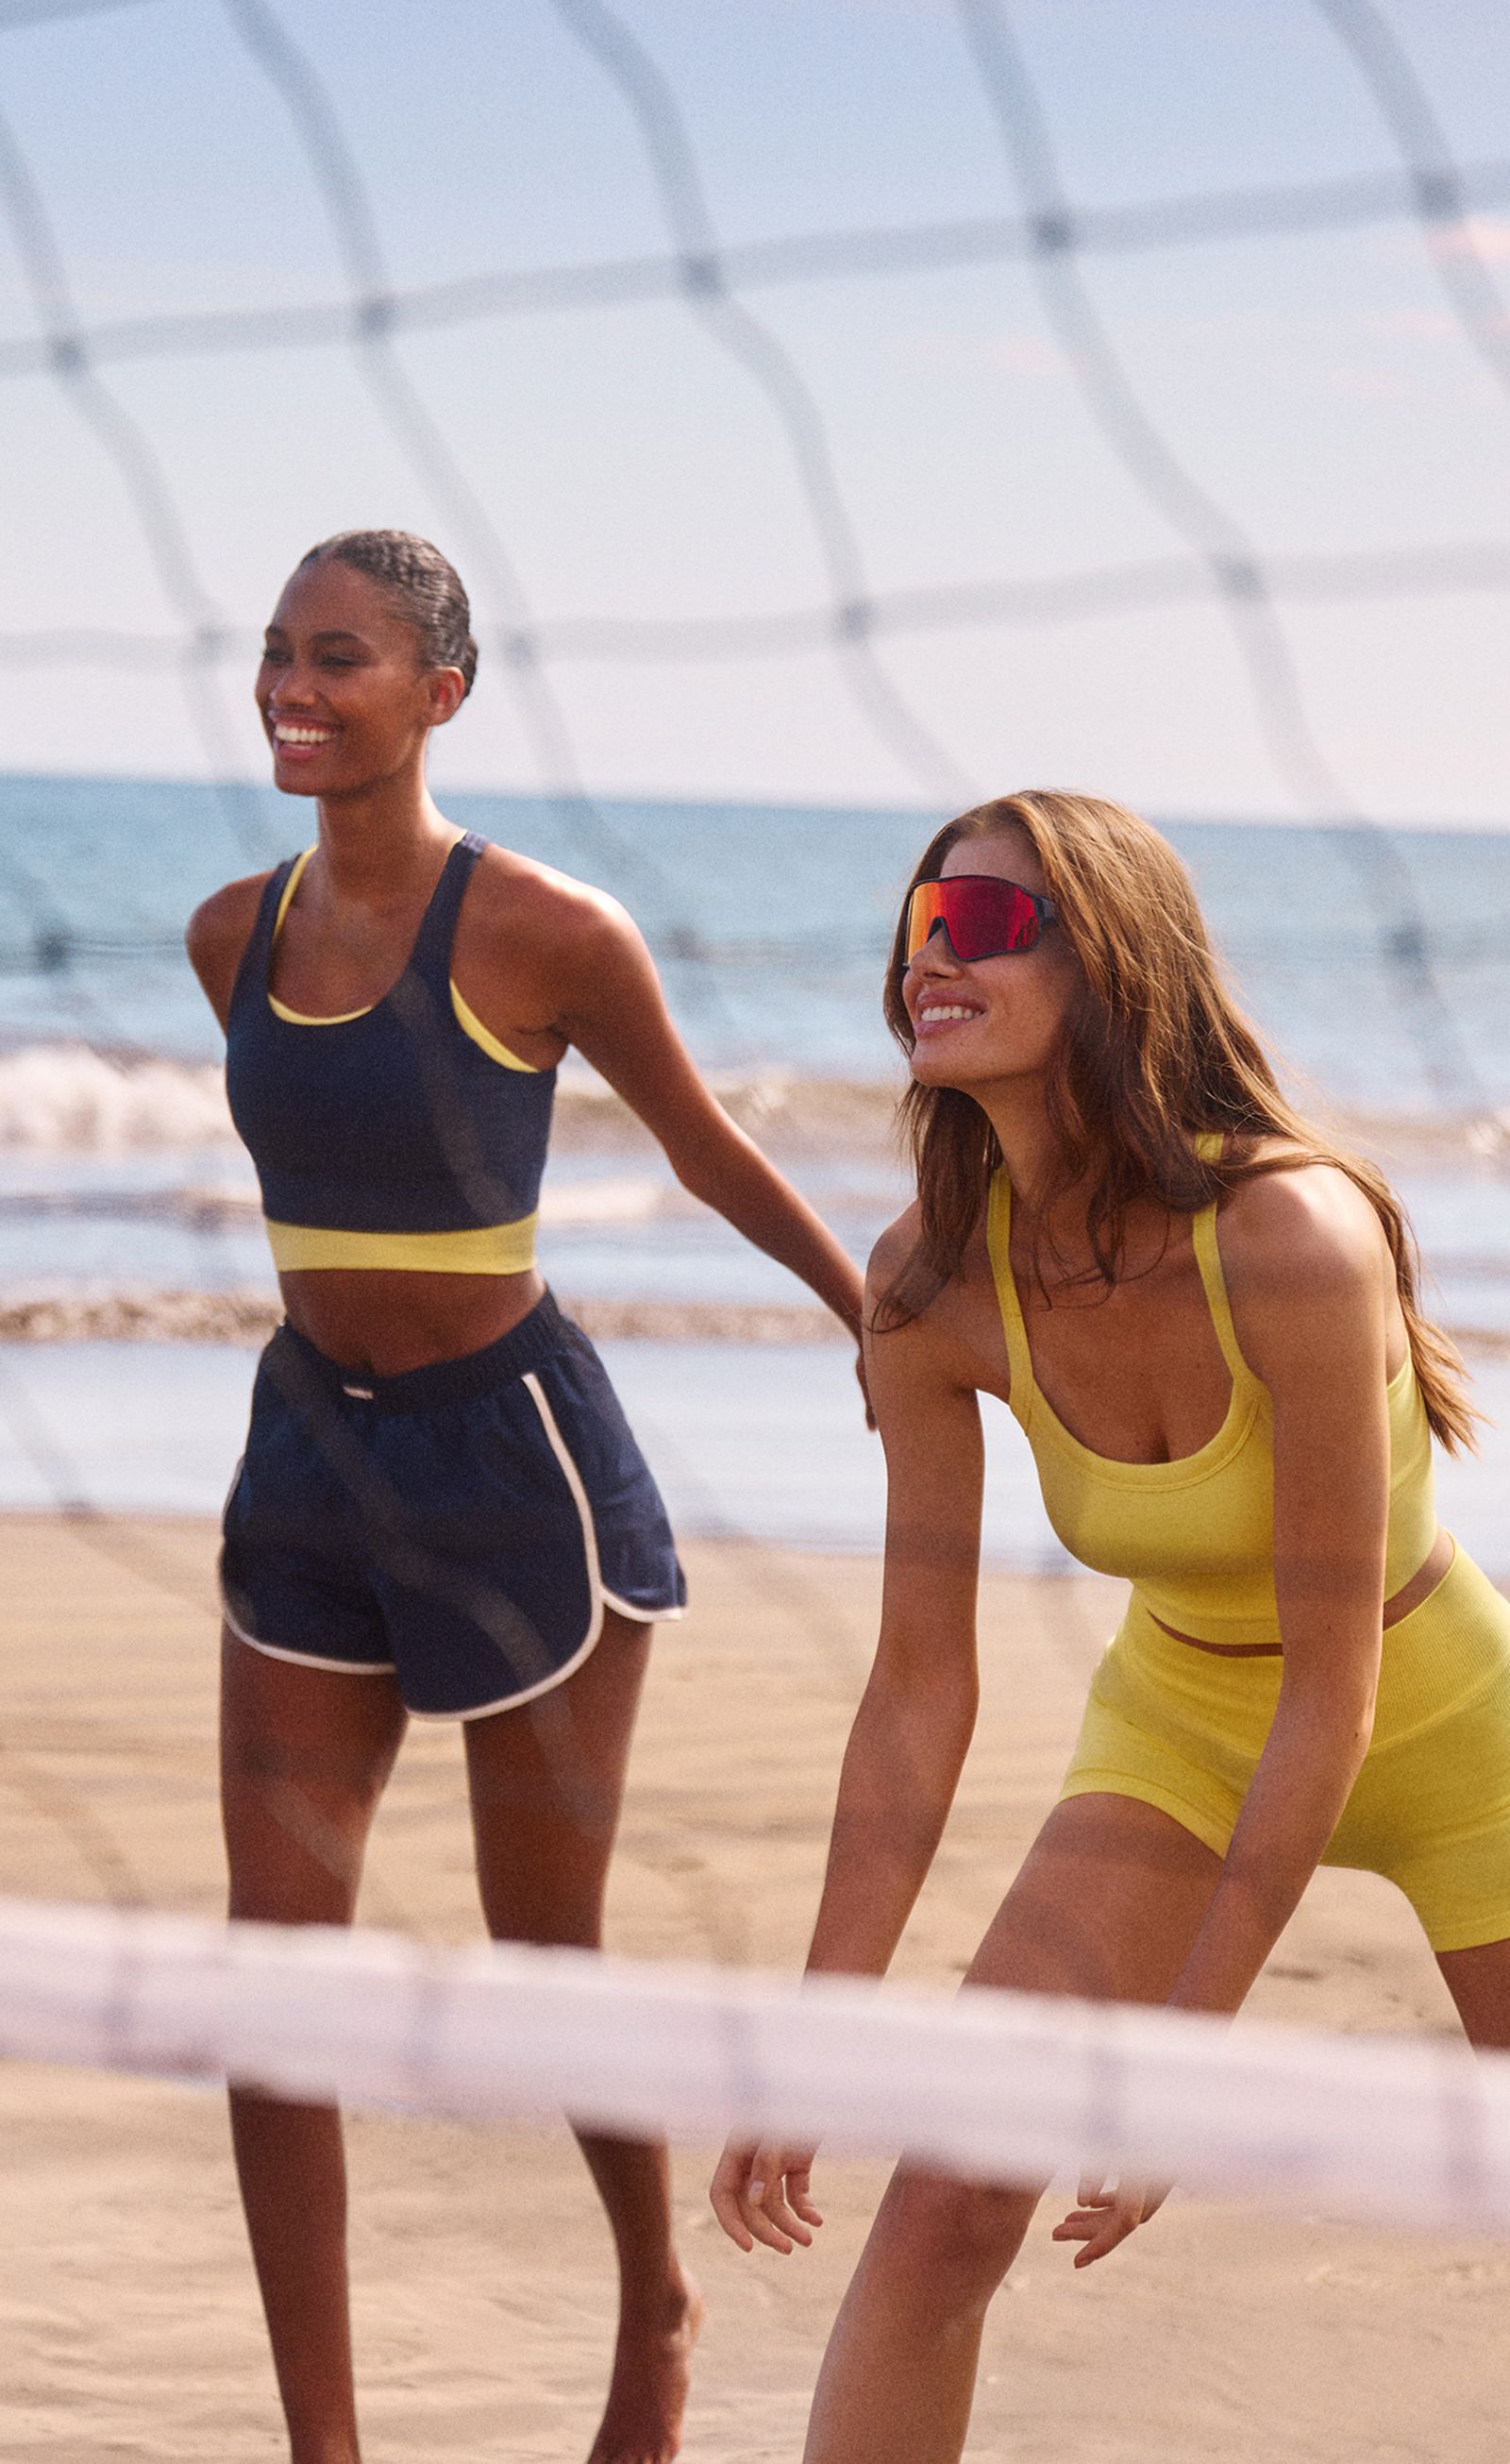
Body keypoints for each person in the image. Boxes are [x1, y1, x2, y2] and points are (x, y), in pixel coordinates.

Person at [711, 789, 1510, 2464]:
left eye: (987, 925)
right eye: (920, 925)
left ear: (1116, 965)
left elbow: (1337, 1694)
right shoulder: (927, 1281)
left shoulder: (1291, 1235)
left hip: (1449, 1726)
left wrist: (1177, 2070)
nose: (934, 958)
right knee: (946, 2200)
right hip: (1180, 1729)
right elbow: (916, 1690)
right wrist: (814, 2034)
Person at [186, 528, 864, 2464]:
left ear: (442, 693)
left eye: (338, 658)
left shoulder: (551, 933)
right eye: (275, 652)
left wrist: (870, 1318)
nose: (291, 688)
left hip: (512, 1467)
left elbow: (706, 1149)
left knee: (541, 1951)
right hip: (305, 1456)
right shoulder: (228, 936)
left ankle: (653, 2301)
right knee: (267, 1981)